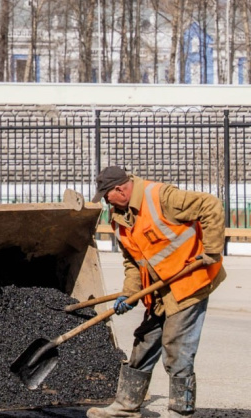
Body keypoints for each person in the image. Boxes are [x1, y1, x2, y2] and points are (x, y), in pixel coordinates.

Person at [87, 166, 226, 418]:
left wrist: (212, 249)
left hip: (189, 281)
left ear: (120, 189)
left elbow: (211, 205)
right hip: (160, 291)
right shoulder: (119, 217)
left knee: (177, 346)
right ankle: (126, 406)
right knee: (144, 341)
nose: (106, 201)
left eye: (107, 195)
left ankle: (180, 411)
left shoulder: (160, 197)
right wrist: (129, 293)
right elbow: (133, 261)